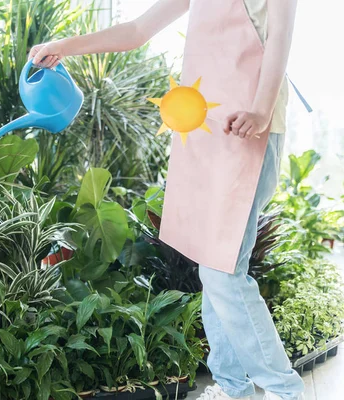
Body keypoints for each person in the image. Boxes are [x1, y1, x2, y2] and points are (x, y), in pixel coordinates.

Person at [29, 1, 304, 399]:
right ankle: (233, 389)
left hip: (250, 127)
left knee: (222, 273)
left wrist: (261, 111)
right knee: (215, 264)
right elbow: (138, 30)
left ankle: (287, 392)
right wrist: (65, 46)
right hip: (206, 129)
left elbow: (281, 37)